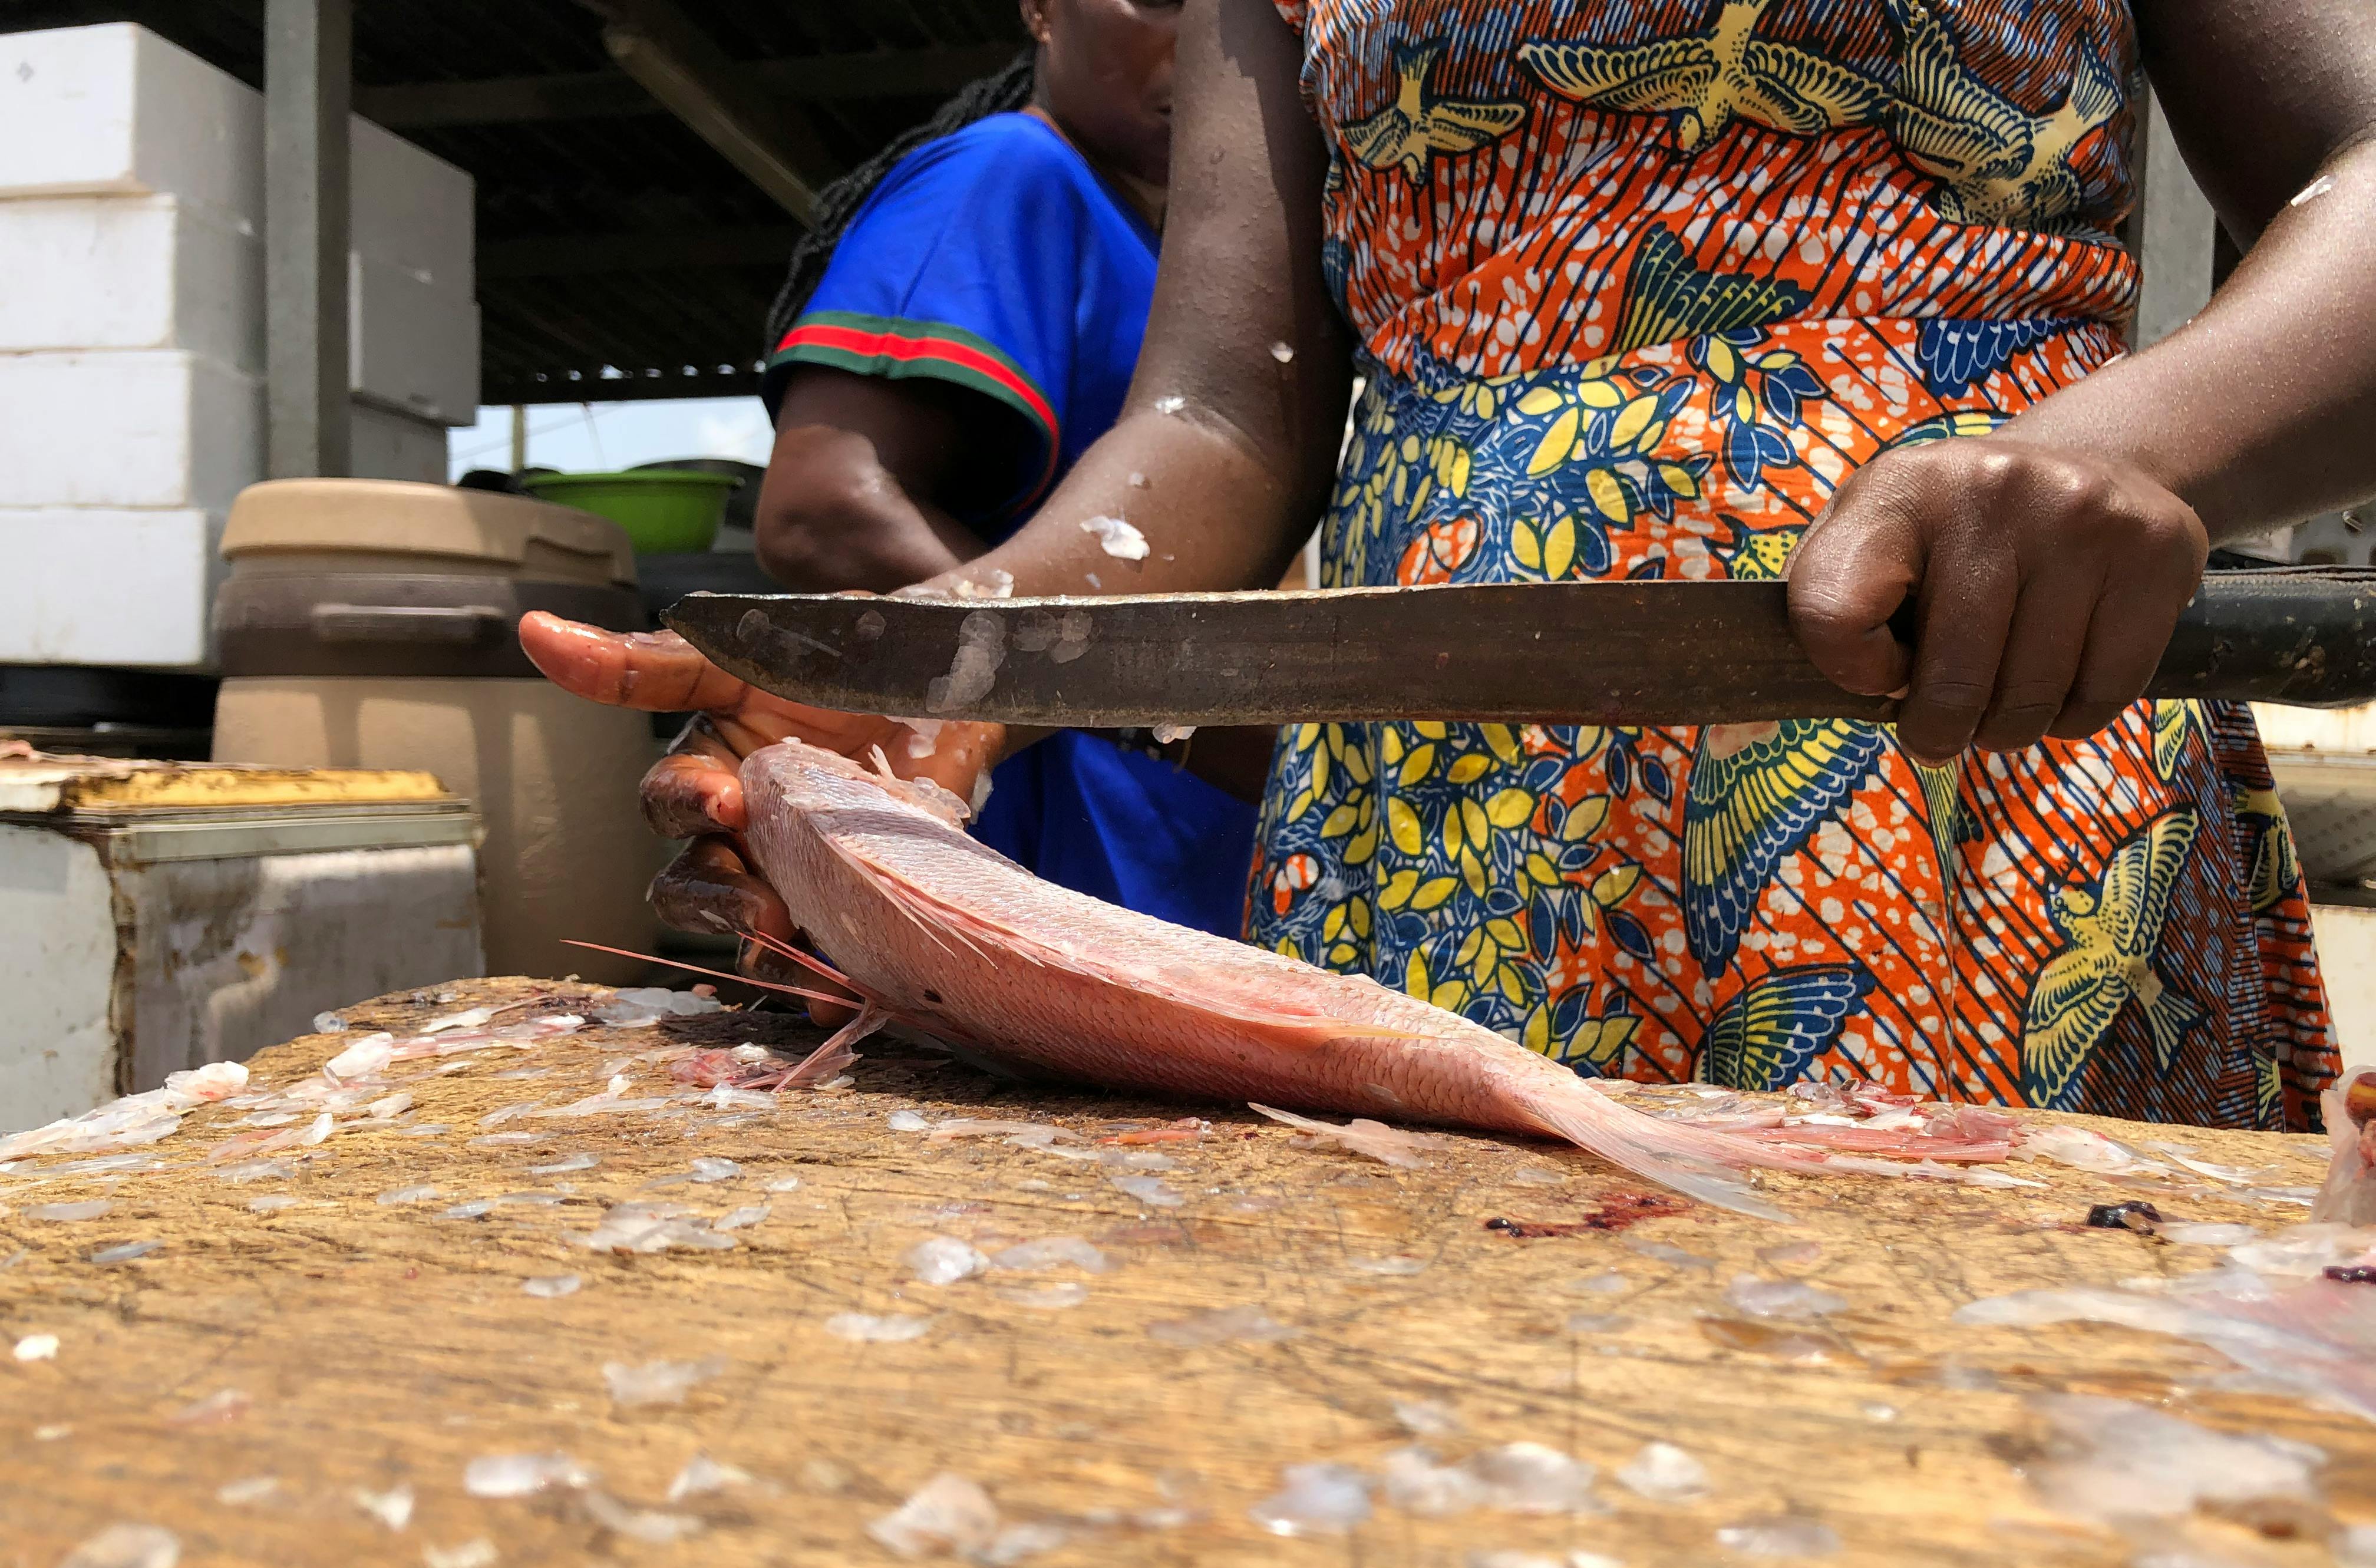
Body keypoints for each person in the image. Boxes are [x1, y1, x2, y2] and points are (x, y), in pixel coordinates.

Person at [537, 0, 2375, 1131]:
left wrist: (2125, 451)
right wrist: (959, 657)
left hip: (1961, 732)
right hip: (1439, 813)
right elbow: (1226, 420)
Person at [525, 0, 1261, 963]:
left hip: (1150, 862)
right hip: (1031, 851)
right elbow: (826, 507)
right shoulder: (1005, 176)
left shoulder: (1154, 249)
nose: (1198, 37)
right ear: (1040, 11)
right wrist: (1151, 697)